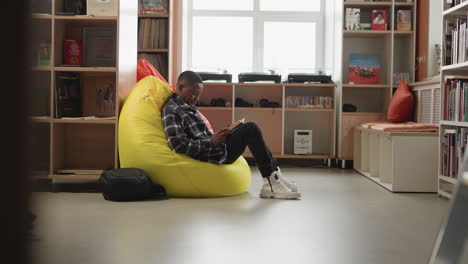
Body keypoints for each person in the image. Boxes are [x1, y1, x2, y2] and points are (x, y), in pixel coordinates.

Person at [162, 71, 301, 199]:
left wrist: (220, 134)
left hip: (215, 148)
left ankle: (274, 176)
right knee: (251, 129)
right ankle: (270, 183)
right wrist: (211, 142)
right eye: (193, 93)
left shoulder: (188, 107)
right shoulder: (172, 110)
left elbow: (201, 136)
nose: (196, 98)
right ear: (180, 87)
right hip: (210, 155)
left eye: (198, 95)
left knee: (248, 127)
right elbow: (178, 144)